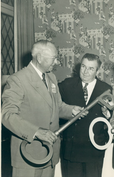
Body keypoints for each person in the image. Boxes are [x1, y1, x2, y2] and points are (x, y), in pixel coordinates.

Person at [1, 40, 87, 177]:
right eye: (54, 58)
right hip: (28, 155)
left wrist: (71, 110)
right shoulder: (18, 80)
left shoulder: (51, 78)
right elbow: (7, 115)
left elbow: (57, 106)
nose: (57, 62)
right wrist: (36, 132)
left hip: (49, 153)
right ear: (40, 58)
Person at [58, 53, 112, 177]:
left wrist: (107, 114)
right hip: (71, 149)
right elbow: (56, 107)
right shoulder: (66, 85)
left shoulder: (106, 89)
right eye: (83, 66)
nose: (85, 71)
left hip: (94, 149)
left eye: (91, 68)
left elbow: (111, 115)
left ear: (97, 71)